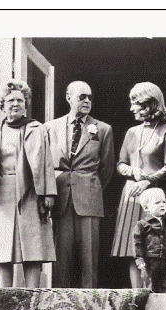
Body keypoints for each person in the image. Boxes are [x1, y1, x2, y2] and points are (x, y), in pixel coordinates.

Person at [0, 79, 57, 288]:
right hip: (0, 194)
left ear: (26, 103)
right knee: (2, 249)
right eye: (10, 100)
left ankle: (32, 296)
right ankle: (5, 297)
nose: (15, 104)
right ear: (2, 104)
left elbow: (47, 162)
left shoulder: (38, 129)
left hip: (30, 192)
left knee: (33, 247)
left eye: (20, 100)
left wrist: (48, 194)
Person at [44, 81, 115, 288]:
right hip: (61, 196)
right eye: (82, 97)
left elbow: (107, 167)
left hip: (89, 197)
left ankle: (89, 306)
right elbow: (46, 164)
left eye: (90, 97)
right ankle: (60, 306)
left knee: (89, 258)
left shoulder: (103, 129)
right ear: (68, 98)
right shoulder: (50, 127)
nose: (87, 101)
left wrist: (90, 185)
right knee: (61, 258)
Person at [111, 82, 166, 288]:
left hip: (154, 196)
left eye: (135, 103)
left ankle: (156, 297)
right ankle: (138, 297)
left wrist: (148, 180)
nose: (131, 108)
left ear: (150, 104)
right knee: (133, 250)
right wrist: (131, 171)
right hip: (131, 196)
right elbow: (120, 164)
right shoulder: (131, 132)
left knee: (155, 248)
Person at [133, 188, 166, 293]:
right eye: (157, 202)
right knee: (150, 287)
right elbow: (137, 244)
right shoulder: (142, 225)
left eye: (164, 202)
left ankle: (164, 308)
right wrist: (140, 260)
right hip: (150, 262)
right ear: (146, 207)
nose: (162, 205)